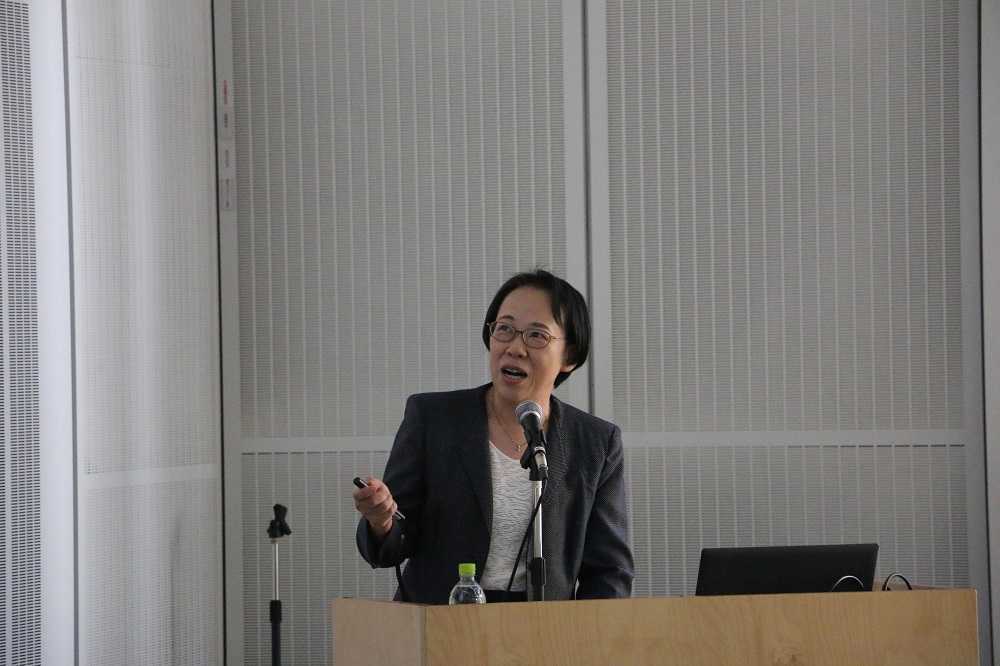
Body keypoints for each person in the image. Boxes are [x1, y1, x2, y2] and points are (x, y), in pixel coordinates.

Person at [353, 269, 634, 603]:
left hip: (544, 625)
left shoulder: (596, 442)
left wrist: (591, 631)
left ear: (569, 356)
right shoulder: (434, 419)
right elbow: (393, 545)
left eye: (536, 335)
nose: (515, 348)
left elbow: (609, 570)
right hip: (441, 618)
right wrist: (381, 521)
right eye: (505, 329)